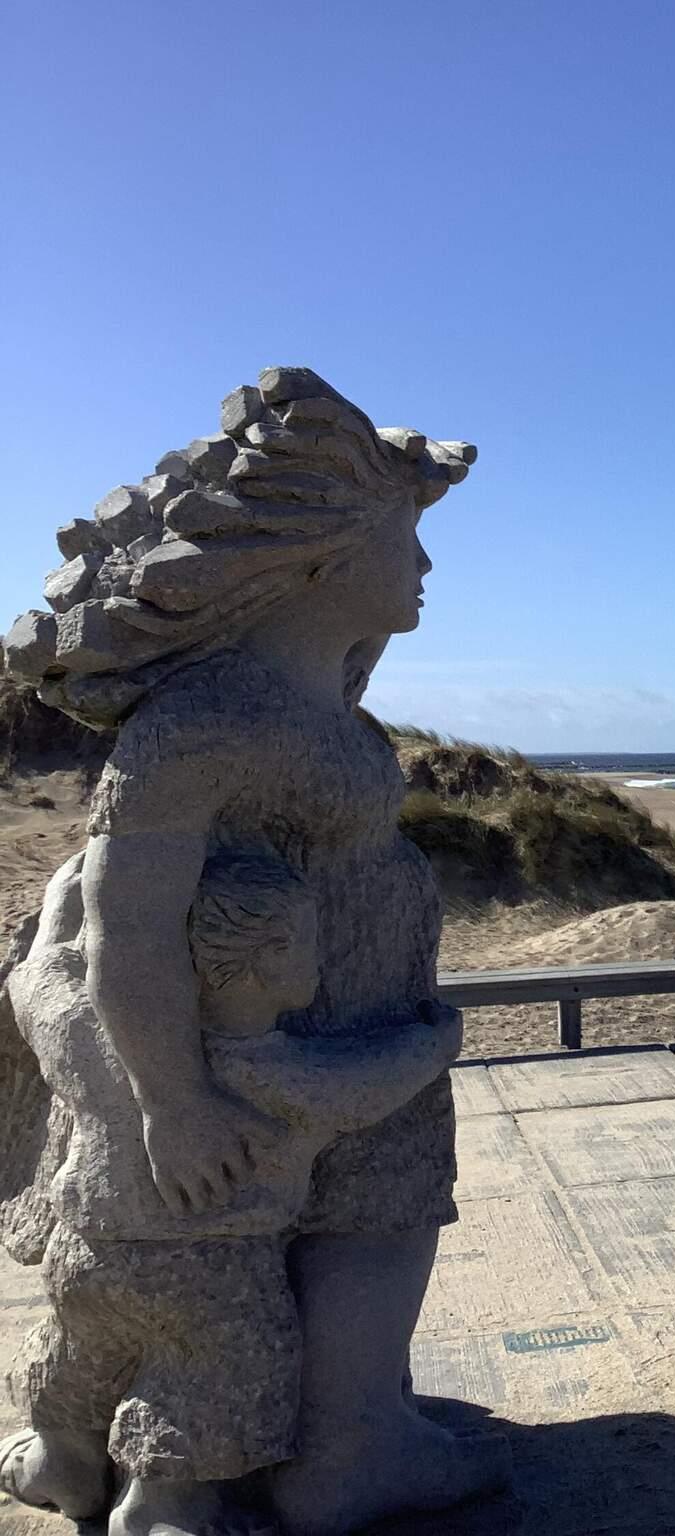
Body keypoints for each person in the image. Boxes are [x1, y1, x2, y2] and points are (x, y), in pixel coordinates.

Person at [1, 367, 494, 1536]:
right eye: (403, 537)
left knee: (360, 1215)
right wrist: (172, 1099)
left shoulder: (310, 693)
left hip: (337, 1008)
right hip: (264, 1037)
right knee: (258, 1256)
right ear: (320, 557)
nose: (425, 565)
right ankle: (323, 1453)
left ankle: (339, 1432)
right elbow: (126, 914)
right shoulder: (205, 721)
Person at [2, 851, 461, 1536]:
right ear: (266, 961)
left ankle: (63, 1458)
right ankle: (165, 1506)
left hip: (87, 1260)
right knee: (219, 1379)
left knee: (77, 1356)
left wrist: (67, 903)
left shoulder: (100, 1047)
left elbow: (40, 987)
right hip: (216, 1282)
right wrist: (437, 1042)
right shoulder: (281, 1077)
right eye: (307, 943)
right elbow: (373, 1083)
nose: (319, 960)